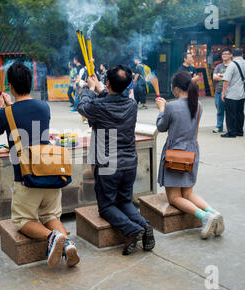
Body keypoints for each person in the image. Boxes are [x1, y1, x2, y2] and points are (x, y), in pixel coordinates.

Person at [0, 62, 80, 268]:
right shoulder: (44, 106)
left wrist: (1, 108)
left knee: (22, 221)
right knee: (50, 215)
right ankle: (67, 244)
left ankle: (52, 238)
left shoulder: (7, 112)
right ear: (30, 83)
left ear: (10, 87)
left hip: (26, 175)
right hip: (50, 169)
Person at [77, 65, 155, 255]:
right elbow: (112, 99)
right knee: (125, 201)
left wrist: (89, 88)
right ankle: (144, 224)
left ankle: (132, 229)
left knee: (106, 207)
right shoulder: (132, 105)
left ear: (109, 82)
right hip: (129, 161)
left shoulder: (99, 106)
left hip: (108, 164)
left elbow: (82, 107)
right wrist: (101, 89)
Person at [155, 71, 224, 239]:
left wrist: (162, 109)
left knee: (174, 197)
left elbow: (161, 126)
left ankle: (205, 217)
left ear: (176, 88)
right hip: (192, 152)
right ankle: (214, 212)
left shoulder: (171, 106)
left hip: (174, 155)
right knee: (187, 193)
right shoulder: (198, 105)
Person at [221, 48, 245, 138]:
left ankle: (231, 132)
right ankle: (239, 131)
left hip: (231, 94)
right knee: (240, 113)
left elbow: (226, 81)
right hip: (242, 94)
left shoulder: (232, 65)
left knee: (230, 114)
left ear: (232, 55)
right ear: (242, 55)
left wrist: (223, 93)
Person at [212, 48, 232, 133]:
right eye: (223, 54)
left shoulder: (233, 65)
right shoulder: (219, 66)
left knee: (230, 111)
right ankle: (219, 126)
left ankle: (230, 128)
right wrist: (226, 77)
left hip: (230, 92)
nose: (224, 55)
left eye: (227, 54)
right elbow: (214, 77)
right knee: (219, 110)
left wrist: (220, 76)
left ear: (231, 55)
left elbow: (232, 78)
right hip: (219, 91)